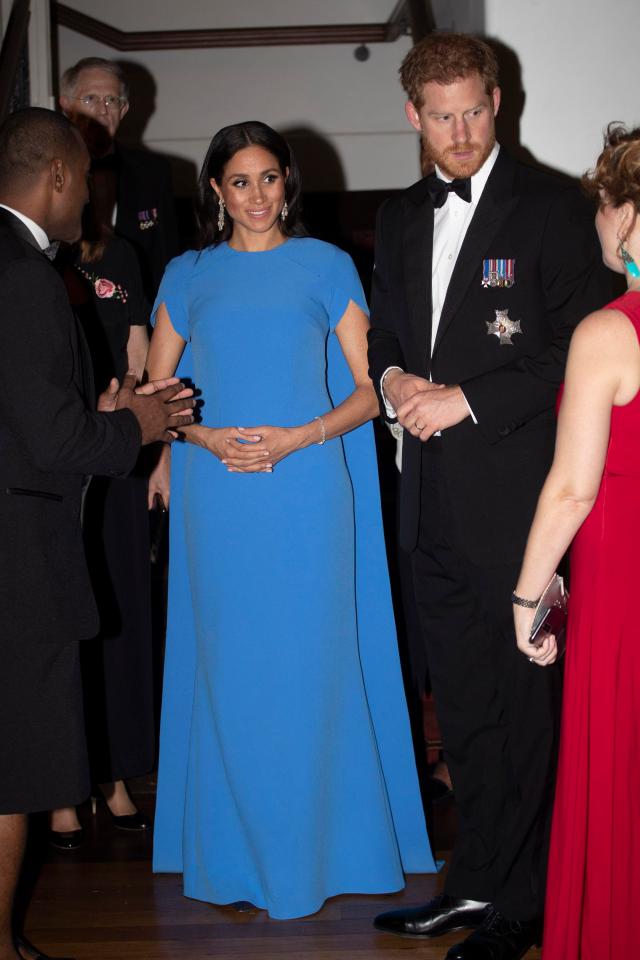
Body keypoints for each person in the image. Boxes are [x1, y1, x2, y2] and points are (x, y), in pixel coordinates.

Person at [145, 120, 437, 920]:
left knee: (313, 666)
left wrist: (297, 436)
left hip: (309, 492)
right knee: (233, 667)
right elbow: (154, 395)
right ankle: (237, 852)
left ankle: (327, 849)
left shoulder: (327, 265)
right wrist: (200, 436)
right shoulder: (187, 274)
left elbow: (372, 386)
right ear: (215, 191)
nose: (258, 195)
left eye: (270, 178)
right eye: (240, 181)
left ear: (288, 183)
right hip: (221, 499)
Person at [368, 33, 610, 960]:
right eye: (442, 115)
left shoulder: (553, 207)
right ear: (413, 116)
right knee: (462, 705)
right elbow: (386, 328)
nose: (460, 130)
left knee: (525, 709)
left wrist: (464, 398)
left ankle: (529, 899)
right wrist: (392, 383)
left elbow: (574, 353)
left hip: (517, 504)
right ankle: (474, 881)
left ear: (497, 100)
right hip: (426, 503)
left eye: (474, 109)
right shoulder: (396, 217)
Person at [0, 108, 194, 960]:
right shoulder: (24, 275)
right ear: (54, 177)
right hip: (15, 557)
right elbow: (51, 442)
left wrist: (96, 414)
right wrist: (138, 425)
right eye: (82, 180)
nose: (88, 199)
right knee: (14, 771)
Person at [513, 123, 640, 960]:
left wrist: (528, 597)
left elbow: (571, 488)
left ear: (628, 214)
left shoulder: (610, 333)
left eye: (603, 200)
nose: (597, 217)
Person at [49, 115, 156, 849]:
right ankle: (62, 788)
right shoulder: (35, 262)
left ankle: (114, 774)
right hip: (57, 465)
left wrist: (161, 451)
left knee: (118, 617)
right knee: (62, 625)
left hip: (120, 459)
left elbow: (147, 360)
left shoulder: (122, 255)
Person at [59, 57, 179, 301]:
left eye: (111, 100)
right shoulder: (49, 172)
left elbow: (169, 260)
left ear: (123, 110)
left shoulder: (153, 173)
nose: (102, 110)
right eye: (90, 99)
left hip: (141, 316)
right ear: (66, 106)